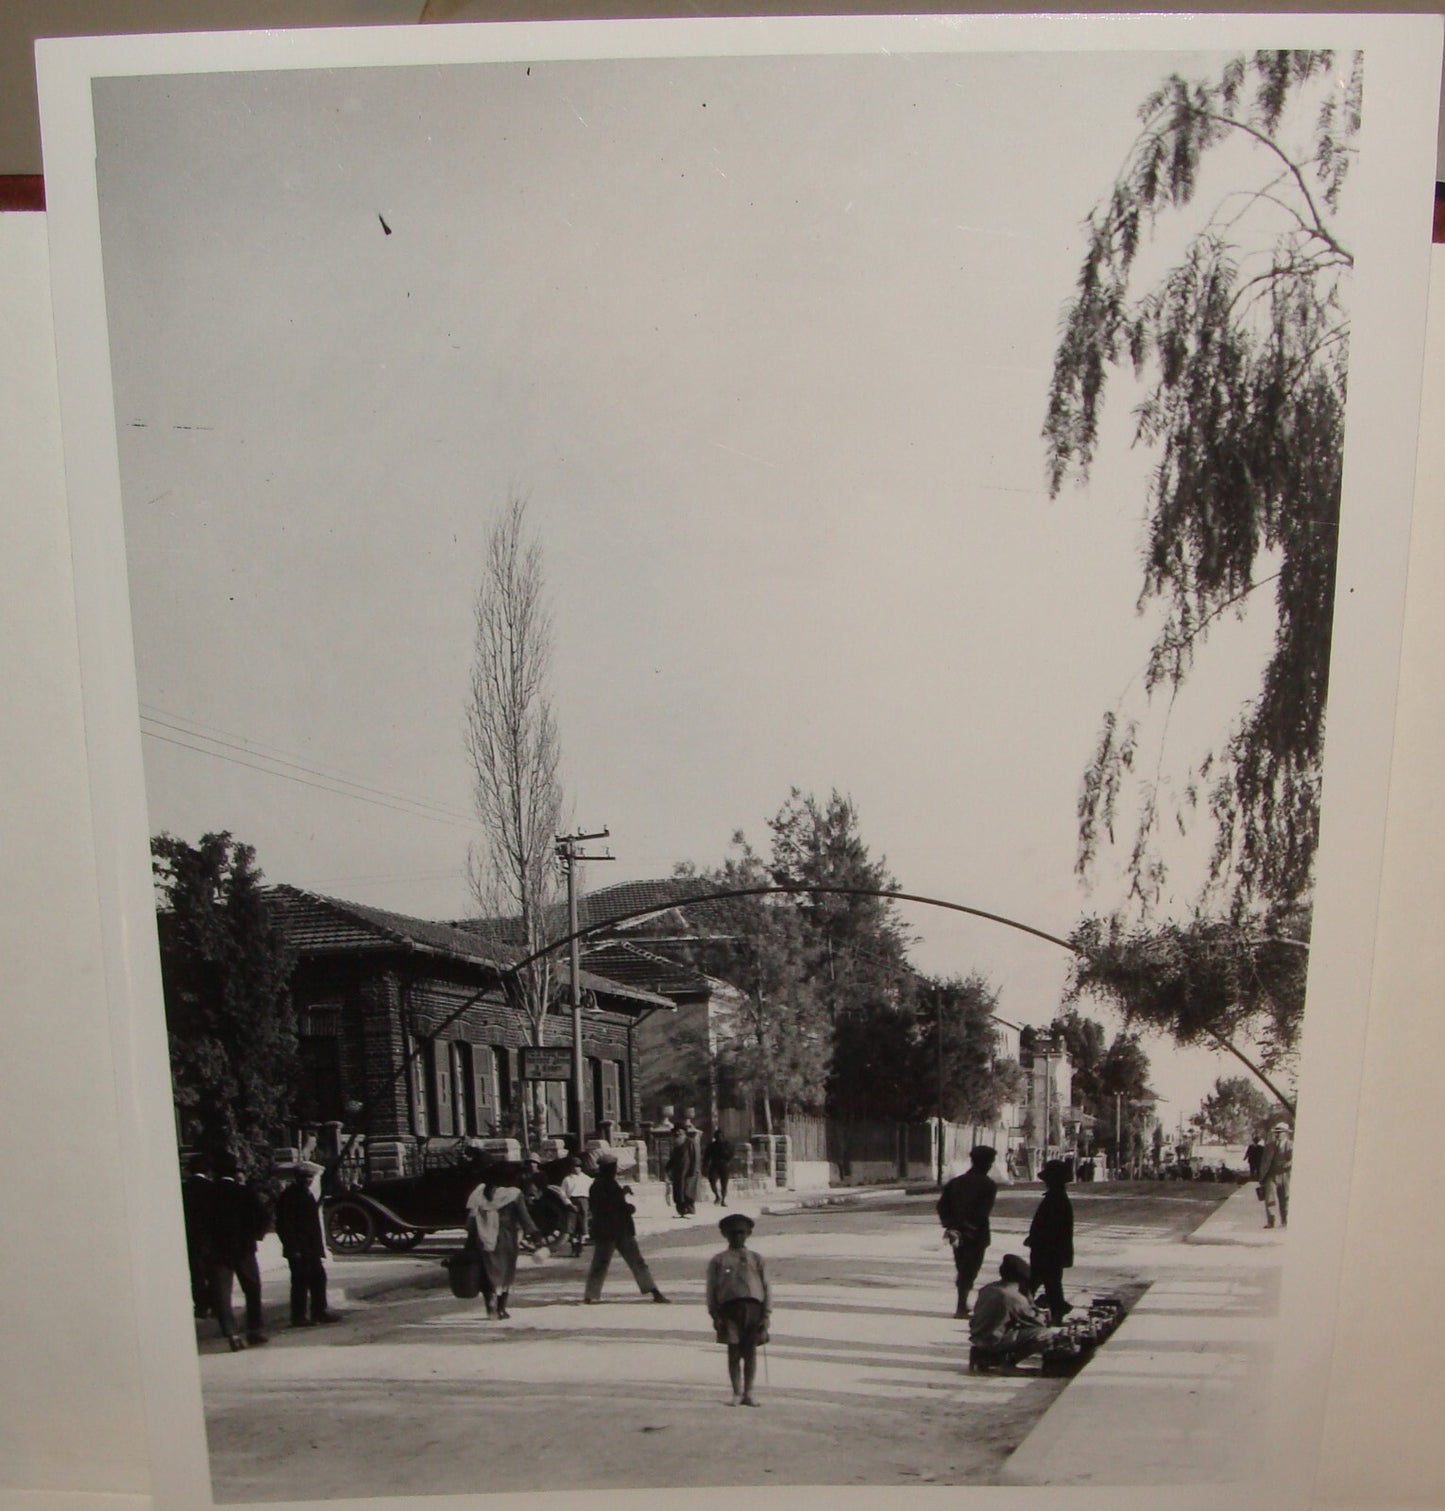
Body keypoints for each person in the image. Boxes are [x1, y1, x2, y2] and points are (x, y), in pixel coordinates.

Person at [583, 1152, 669, 1304]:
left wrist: (622, 1196)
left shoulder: (599, 1185)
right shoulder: (606, 1184)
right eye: (613, 1167)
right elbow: (610, 1206)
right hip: (619, 1230)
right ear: (610, 1168)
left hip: (607, 1231)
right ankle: (654, 1291)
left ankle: (590, 1295)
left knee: (600, 1263)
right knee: (636, 1262)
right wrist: (628, 1208)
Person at [208, 1151, 271, 1351]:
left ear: (216, 1173)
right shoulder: (245, 1192)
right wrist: (255, 1236)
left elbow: (201, 1224)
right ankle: (255, 1329)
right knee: (252, 1288)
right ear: (234, 1172)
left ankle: (232, 1335)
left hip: (218, 1251)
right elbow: (264, 1216)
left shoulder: (208, 1194)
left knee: (222, 1294)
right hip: (244, 1249)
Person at [707, 1212, 771, 1407]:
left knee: (750, 1352)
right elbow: (712, 1289)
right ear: (724, 1234)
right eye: (732, 1233)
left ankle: (749, 1392)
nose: (737, 1237)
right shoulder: (718, 1260)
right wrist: (715, 1314)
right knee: (733, 1351)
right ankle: (736, 1392)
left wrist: (766, 1314)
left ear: (749, 1233)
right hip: (729, 1310)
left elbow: (766, 1287)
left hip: (753, 1309)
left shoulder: (757, 1259)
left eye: (741, 1232)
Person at [465, 1169, 540, 1319]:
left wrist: (472, 1238)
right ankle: (501, 1308)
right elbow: (524, 1218)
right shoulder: (513, 1194)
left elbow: (471, 1221)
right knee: (506, 1272)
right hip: (506, 1237)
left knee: (488, 1272)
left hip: (483, 1236)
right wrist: (536, 1235)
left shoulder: (479, 1192)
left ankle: (490, 1309)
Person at [936, 1144, 998, 1318]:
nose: (990, 1165)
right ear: (986, 1163)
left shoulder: (956, 1182)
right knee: (970, 1270)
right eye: (990, 1162)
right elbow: (983, 1212)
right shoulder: (988, 1185)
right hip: (976, 1235)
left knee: (962, 1267)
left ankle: (962, 1304)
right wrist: (969, 1226)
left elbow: (942, 1206)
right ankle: (961, 1307)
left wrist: (950, 1225)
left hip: (957, 1234)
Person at [274, 1161, 337, 1327]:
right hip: (299, 1248)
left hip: (311, 1248)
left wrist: (319, 1248)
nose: (308, 1180)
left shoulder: (307, 1194)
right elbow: (285, 1225)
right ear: (298, 1178)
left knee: (318, 1279)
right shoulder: (289, 1196)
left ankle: (319, 1311)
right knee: (300, 1283)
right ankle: (298, 1316)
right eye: (305, 1177)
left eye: (310, 1177)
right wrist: (293, 1247)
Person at [969, 1254, 1054, 1372]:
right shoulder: (1013, 1296)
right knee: (1045, 1334)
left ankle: (985, 1357)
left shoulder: (988, 1288)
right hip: (993, 1340)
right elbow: (1038, 1322)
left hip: (978, 1337)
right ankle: (1007, 1363)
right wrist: (1031, 1303)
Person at [1025, 1158, 1075, 1323]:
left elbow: (1051, 1228)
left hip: (1047, 1251)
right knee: (1049, 1284)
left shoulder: (1056, 1199)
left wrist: (1035, 1240)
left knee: (1040, 1284)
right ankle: (1057, 1309)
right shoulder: (1057, 1197)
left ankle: (1054, 1310)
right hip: (1051, 1251)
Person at [180, 1153, 216, 1319]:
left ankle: (201, 1306)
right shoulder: (212, 1188)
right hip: (210, 1236)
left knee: (197, 1274)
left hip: (192, 1237)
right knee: (213, 1273)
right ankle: (216, 1305)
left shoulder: (183, 1189)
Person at [1258, 1120, 1293, 1229]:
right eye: (1276, 1132)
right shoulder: (1269, 1146)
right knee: (1269, 1198)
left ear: (1286, 1133)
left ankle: (1285, 1220)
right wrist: (1262, 1176)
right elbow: (1264, 1161)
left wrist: (1288, 1163)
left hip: (1285, 1175)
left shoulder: (1291, 1145)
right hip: (1271, 1175)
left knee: (1285, 1198)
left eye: (1280, 1132)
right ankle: (1271, 1221)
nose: (1277, 1134)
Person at [561, 1156, 593, 1256]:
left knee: (583, 1224)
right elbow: (562, 1193)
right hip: (572, 1201)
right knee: (571, 1225)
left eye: (578, 1166)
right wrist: (569, 1203)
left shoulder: (586, 1179)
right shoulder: (567, 1179)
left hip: (584, 1201)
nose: (576, 1168)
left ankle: (580, 1246)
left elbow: (593, 1188)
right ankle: (574, 1246)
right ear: (571, 1168)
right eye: (574, 1166)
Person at [666, 1125, 699, 1216]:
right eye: (675, 1131)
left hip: (688, 1171)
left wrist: (694, 1170)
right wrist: (668, 1168)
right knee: (678, 1191)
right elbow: (673, 1158)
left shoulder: (690, 1142)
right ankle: (681, 1211)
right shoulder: (676, 1143)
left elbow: (695, 1157)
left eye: (679, 1131)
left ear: (684, 1132)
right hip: (677, 1172)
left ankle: (690, 1209)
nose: (677, 1133)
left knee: (687, 1191)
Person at [703, 1128, 735, 1207]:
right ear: (715, 1137)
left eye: (721, 1136)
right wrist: (705, 1166)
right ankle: (717, 1196)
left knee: (724, 1184)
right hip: (714, 1165)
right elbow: (706, 1156)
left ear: (723, 1136)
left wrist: (728, 1161)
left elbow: (731, 1154)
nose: (719, 1137)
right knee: (712, 1181)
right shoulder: (711, 1146)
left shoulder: (727, 1144)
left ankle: (723, 1200)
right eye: (717, 1136)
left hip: (724, 1165)